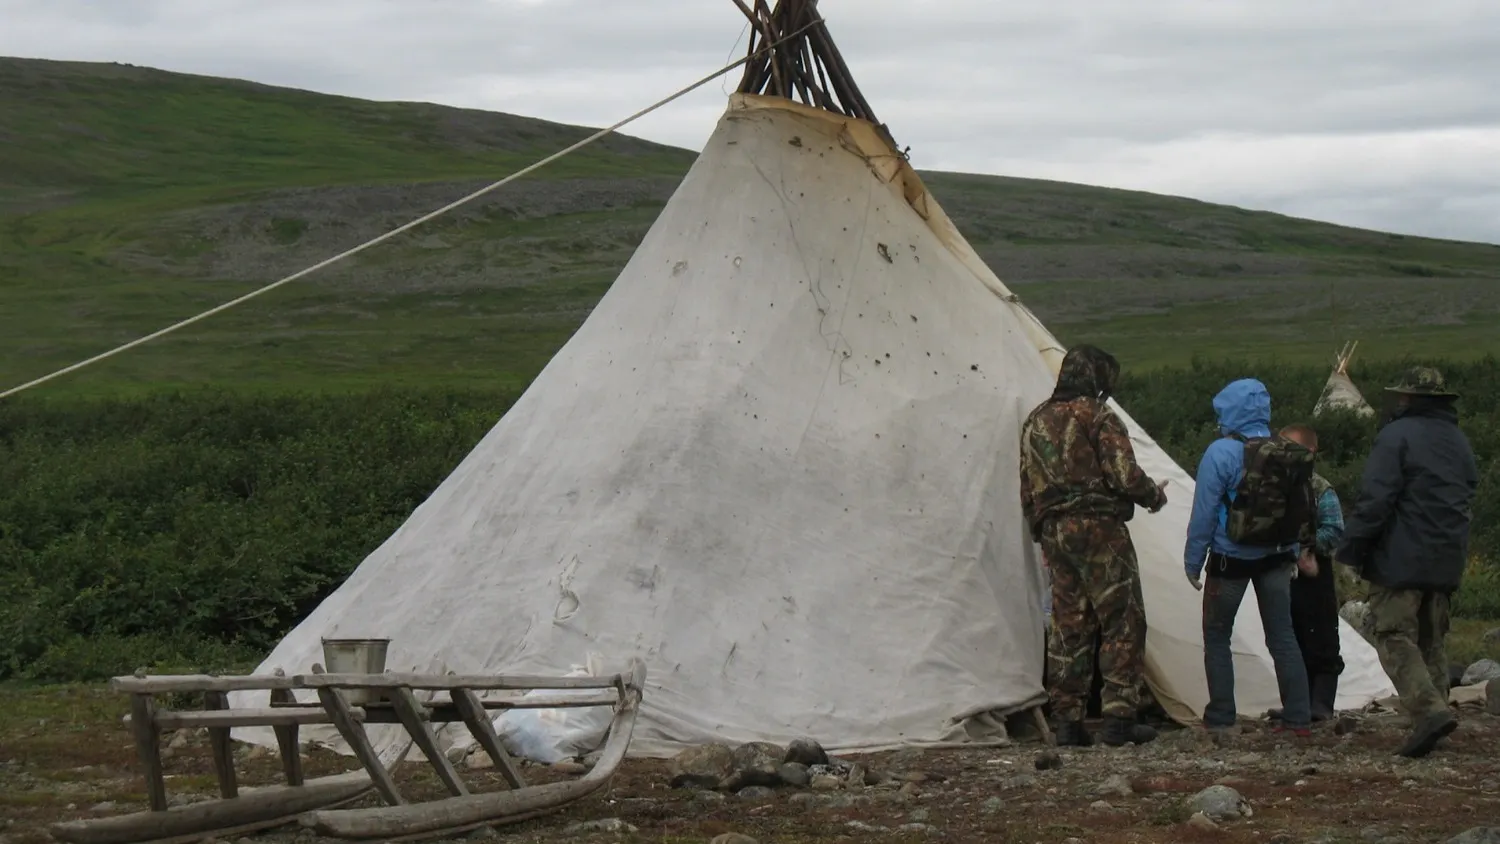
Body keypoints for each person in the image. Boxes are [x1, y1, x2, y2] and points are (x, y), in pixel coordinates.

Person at [1020, 344, 1168, 748]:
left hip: (1055, 531)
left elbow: (1027, 484)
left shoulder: (1035, 419)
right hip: (1100, 529)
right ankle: (1119, 718)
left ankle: (1068, 722)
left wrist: (1042, 530)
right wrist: (1153, 495)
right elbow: (1123, 474)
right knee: (1122, 619)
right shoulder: (1099, 415)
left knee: (1069, 624)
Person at [1336, 367, 1479, 758]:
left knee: (1394, 635)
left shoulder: (1396, 436)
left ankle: (1429, 712)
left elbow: (1376, 499)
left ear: (1408, 398)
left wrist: (1352, 549)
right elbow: (1468, 492)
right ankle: (1436, 715)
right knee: (1432, 639)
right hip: (1447, 555)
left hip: (1400, 557)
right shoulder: (1458, 440)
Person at [1183, 379, 1315, 740]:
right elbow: (1300, 507)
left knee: (1217, 635)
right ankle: (1298, 718)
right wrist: (1294, 551)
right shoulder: (1287, 451)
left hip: (1231, 559)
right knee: (1282, 636)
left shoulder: (1220, 453)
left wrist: (1193, 561)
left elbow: (1204, 513)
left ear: (1229, 410)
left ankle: (1221, 716)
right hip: (1277, 556)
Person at [1271, 423, 1345, 723]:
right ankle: (1295, 704)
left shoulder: (1321, 489)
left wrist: (1309, 548)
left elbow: (1335, 530)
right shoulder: (1273, 486)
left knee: (1322, 638)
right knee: (1288, 639)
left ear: (1310, 452)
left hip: (1314, 574)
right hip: (1280, 571)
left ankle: (1321, 704)